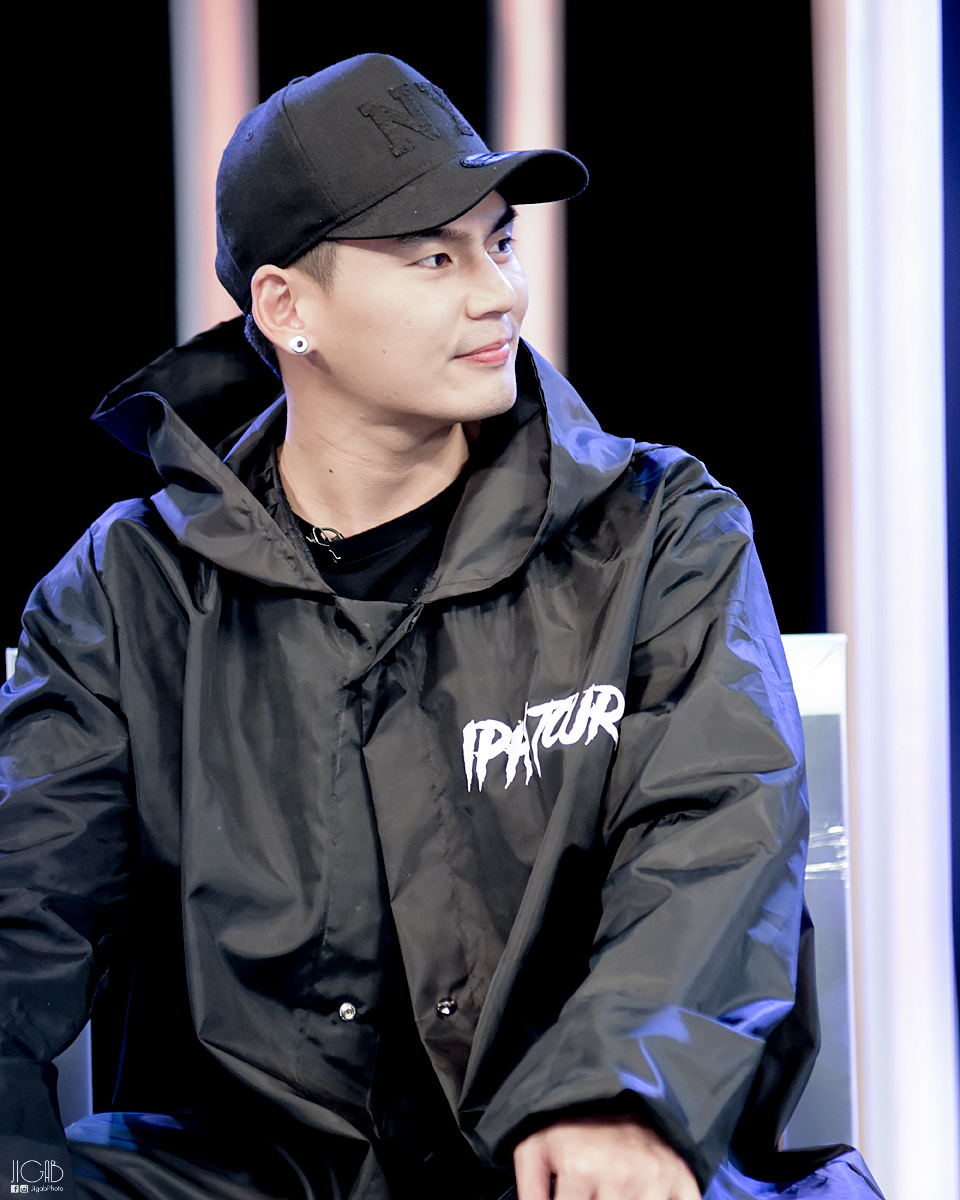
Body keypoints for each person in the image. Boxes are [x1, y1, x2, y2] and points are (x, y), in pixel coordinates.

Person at [0, 54, 881, 1200]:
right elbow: (22, 917)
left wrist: (623, 1093)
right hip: (254, 1176)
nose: (499, 293)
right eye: (434, 257)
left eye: (499, 243)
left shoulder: (660, 528)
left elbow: (718, 829)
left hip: (577, 1154)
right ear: (287, 308)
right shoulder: (129, 591)